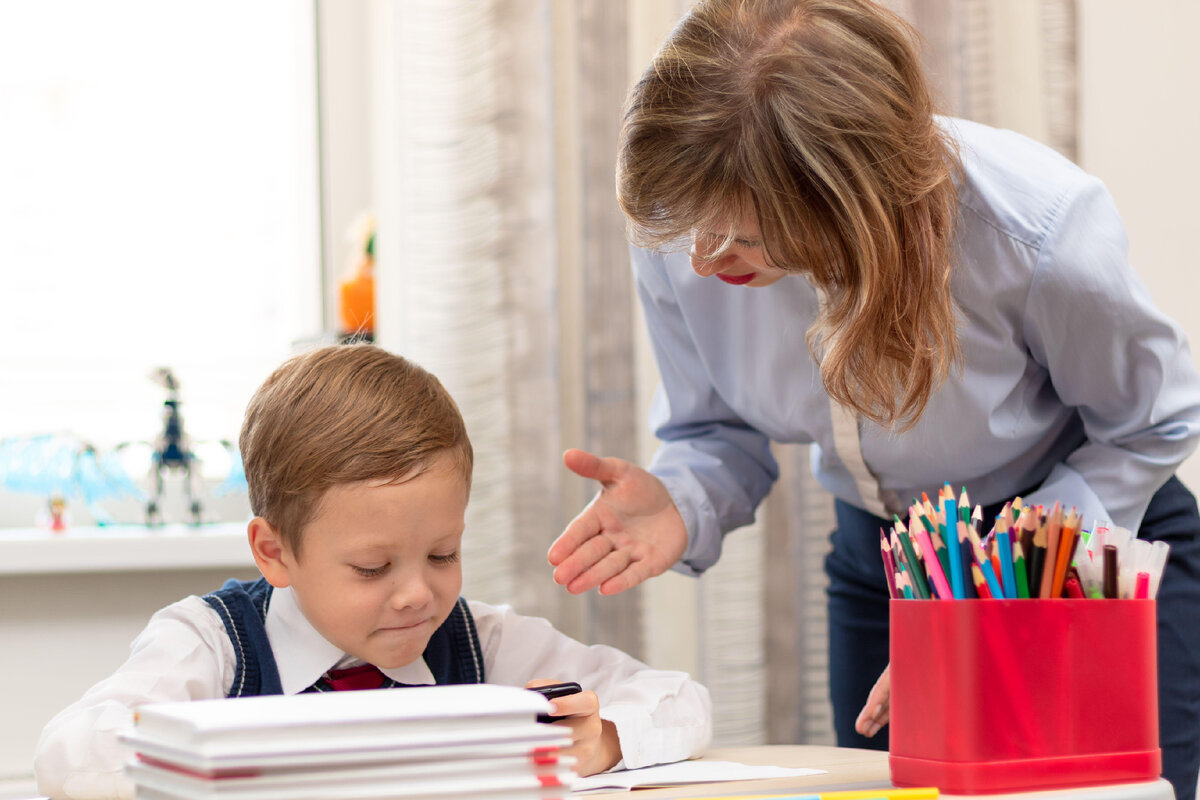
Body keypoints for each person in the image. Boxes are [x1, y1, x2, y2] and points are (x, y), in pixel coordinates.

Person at [545, 1, 1200, 797]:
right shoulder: (685, 216)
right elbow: (717, 428)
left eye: (748, 238)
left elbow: (1153, 421)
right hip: (888, 564)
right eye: (691, 227)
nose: (705, 259)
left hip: (1077, 553)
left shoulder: (1035, 231)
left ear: (854, 198)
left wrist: (1002, 587)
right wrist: (682, 498)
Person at [36, 344, 712, 799]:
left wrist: (603, 741)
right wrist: (213, 751)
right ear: (275, 553)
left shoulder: (481, 641)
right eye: (371, 568)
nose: (420, 593)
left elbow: (681, 700)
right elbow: (67, 753)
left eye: (443, 554)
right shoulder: (213, 644)